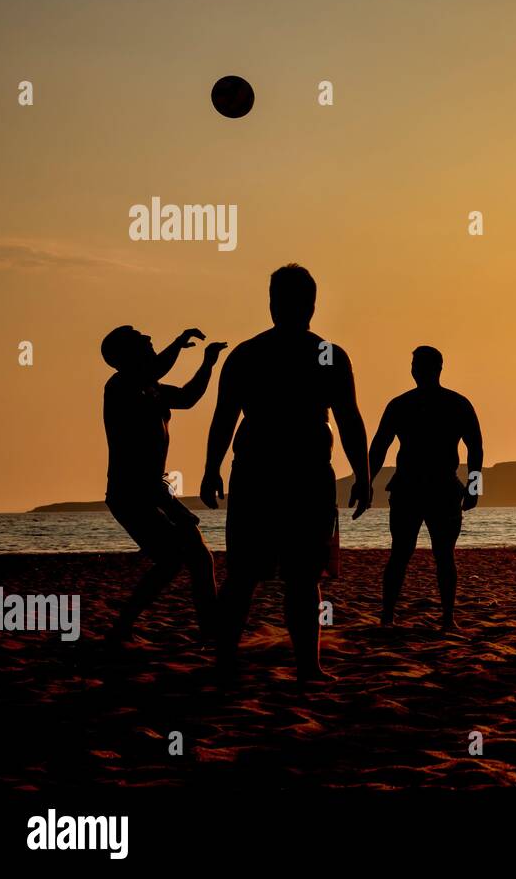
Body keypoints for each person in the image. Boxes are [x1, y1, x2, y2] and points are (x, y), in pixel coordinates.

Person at [200, 265, 371, 683]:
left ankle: (281, 666)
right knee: (284, 577)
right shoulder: (311, 354)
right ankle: (298, 667)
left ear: (275, 302)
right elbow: (348, 419)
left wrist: (211, 469)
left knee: (269, 576)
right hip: (285, 474)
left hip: (282, 474)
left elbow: (349, 420)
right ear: (310, 305)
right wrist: (363, 476)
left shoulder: (252, 353)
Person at [101, 325, 226, 644]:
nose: (148, 339)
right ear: (125, 356)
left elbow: (187, 398)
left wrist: (207, 364)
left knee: (197, 557)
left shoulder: (152, 387)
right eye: (142, 339)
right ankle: (125, 625)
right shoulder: (120, 386)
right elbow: (154, 367)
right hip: (130, 493)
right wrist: (177, 343)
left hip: (156, 490)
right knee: (173, 560)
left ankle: (211, 631)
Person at [368, 346, 483, 632]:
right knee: (414, 553)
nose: (415, 370)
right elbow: (379, 446)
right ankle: (395, 615)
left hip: (432, 487)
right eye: (414, 365)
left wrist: (474, 487)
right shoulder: (442, 404)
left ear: (426, 369)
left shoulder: (443, 404)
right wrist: (364, 480)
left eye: (417, 365)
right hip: (419, 487)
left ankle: (437, 617)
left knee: (431, 554)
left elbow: (476, 447)